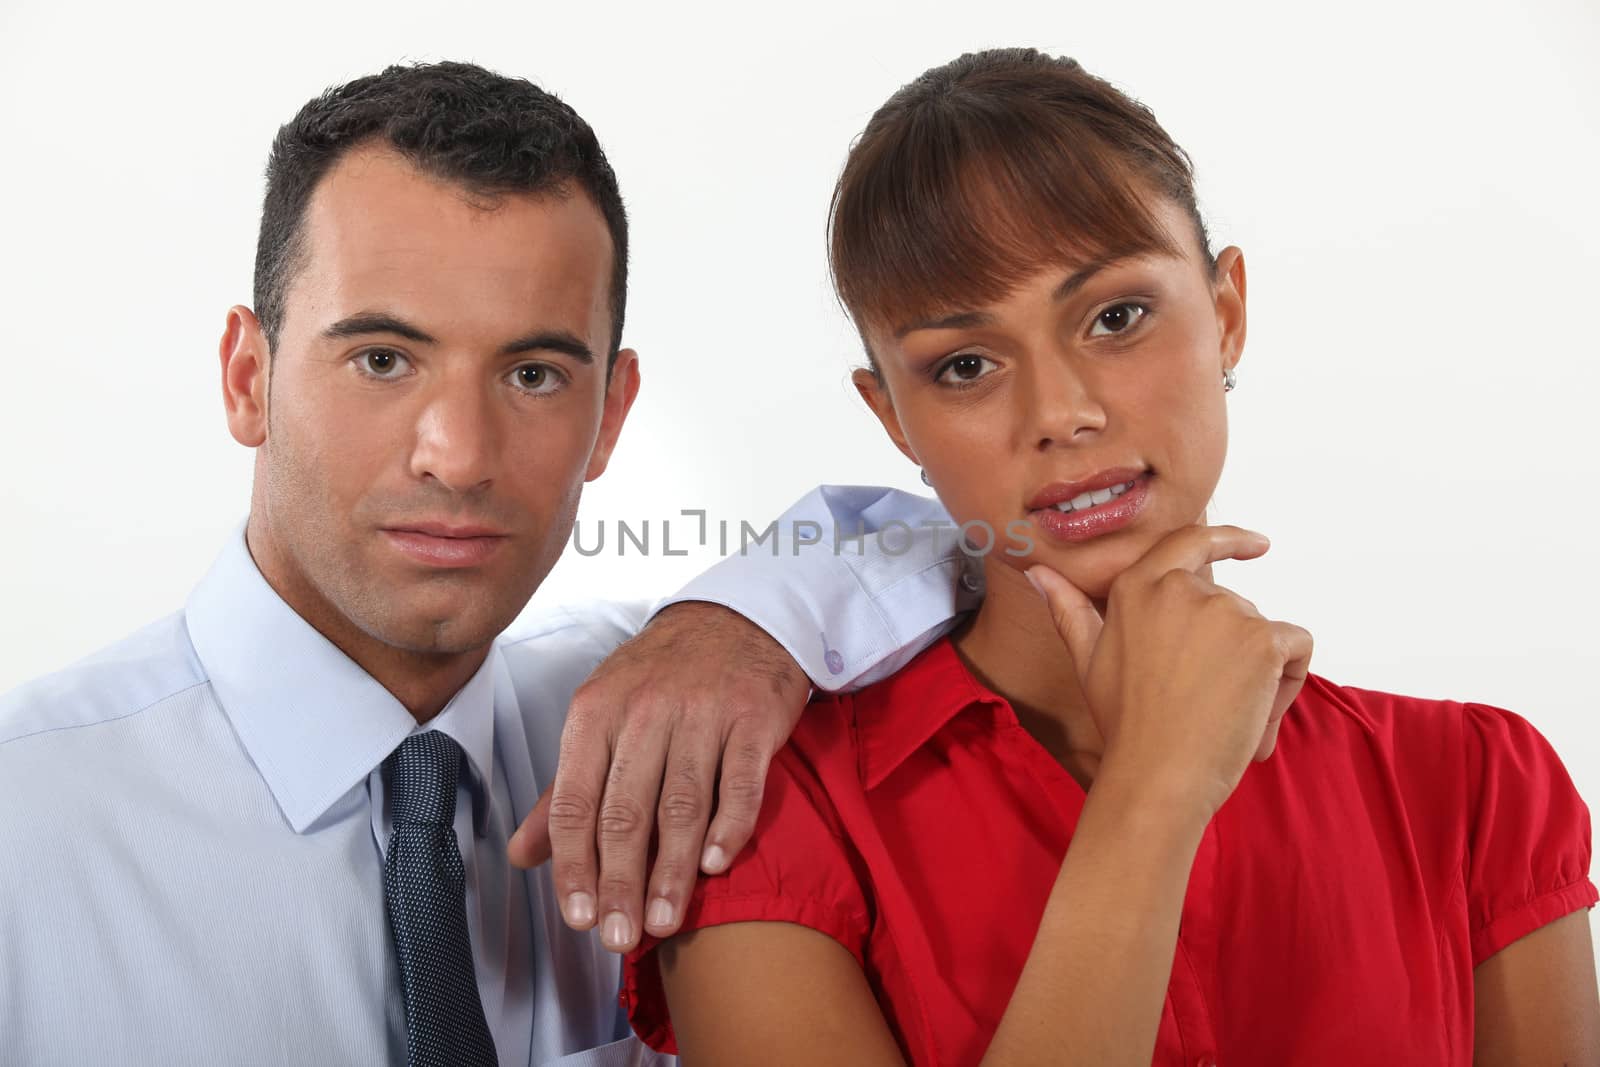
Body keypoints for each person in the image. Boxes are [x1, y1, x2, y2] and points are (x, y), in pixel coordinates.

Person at [622, 47, 1600, 1065]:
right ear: (892, 418)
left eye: (1117, 316)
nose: (1062, 412)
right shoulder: (756, 816)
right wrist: (1151, 791)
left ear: (1225, 314)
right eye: (965, 364)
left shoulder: (1476, 788)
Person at [0, 62, 967, 1065]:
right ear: (249, 379)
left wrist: (746, 622)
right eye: (381, 358)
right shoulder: (23, 827)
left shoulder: (663, 715)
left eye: (534, 374)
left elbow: (977, 540)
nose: (458, 454)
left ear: (611, 415)